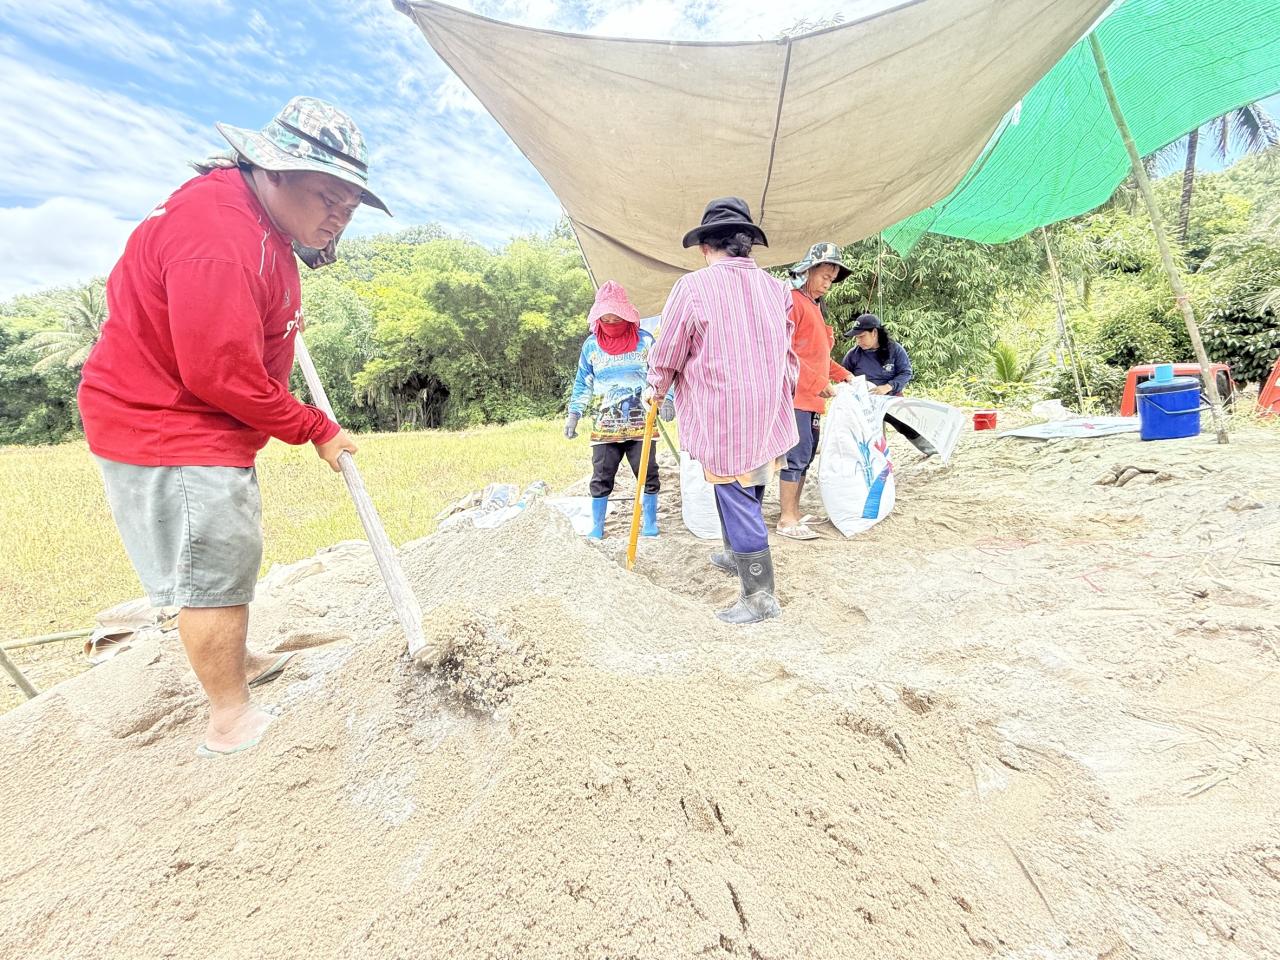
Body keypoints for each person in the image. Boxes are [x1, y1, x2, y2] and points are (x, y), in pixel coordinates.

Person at [77, 97, 389, 758]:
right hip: (169, 421)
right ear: (272, 170)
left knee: (224, 552)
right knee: (212, 565)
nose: (340, 215)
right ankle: (229, 715)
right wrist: (314, 427)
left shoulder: (257, 220)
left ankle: (236, 661)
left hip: (198, 416)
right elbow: (218, 371)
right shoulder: (219, 236)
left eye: (350, 206)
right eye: (328, 197)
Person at [647, 197, 799, 624]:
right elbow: (789, 355)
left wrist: (656, 389)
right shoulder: (777, 289)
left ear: (704, 247)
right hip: (768, 407)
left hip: (723, 412)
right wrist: (780, 392)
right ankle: (735, 554)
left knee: (736, 493)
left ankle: (760, 597)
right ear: (747, 244)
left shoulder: (693, 288)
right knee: (752, 481)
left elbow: (668, 350)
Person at [564, 280, 670, 540]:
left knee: (647, 473)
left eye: (616, 318)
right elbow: (583, 382)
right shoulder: (591, 346)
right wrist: (574, 414)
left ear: (627, 315)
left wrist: (667, 399)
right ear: (597, 318)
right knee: (601, 477)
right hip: (605, 426)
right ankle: (597, 526)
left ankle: (650, 523)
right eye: (606, 319)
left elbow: (661, 373)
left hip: (641, 424)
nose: (611, 323)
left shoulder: (645, 341)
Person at [777, 242, 856, 541]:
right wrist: (817, 382)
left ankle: (795, 512)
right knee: (795, 457)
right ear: (808, 271)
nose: (827, 284)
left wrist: (843, 374)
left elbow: (818, 354)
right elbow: (785, 353)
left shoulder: (815, 307)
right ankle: (786, 518)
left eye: (831, 279)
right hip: (796, 396)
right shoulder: (793, 301)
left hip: (813, 400)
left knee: (807, 455)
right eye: (824, 276)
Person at [840, 313, 913, 395]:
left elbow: (906, 373)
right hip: (863, 398)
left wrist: (888, 387)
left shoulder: (895, 350)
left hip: (891, 397)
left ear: (874, 333)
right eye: (856, 337)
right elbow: (843, 376)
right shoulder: (853, 355)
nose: (858, 341)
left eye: (861, 336)